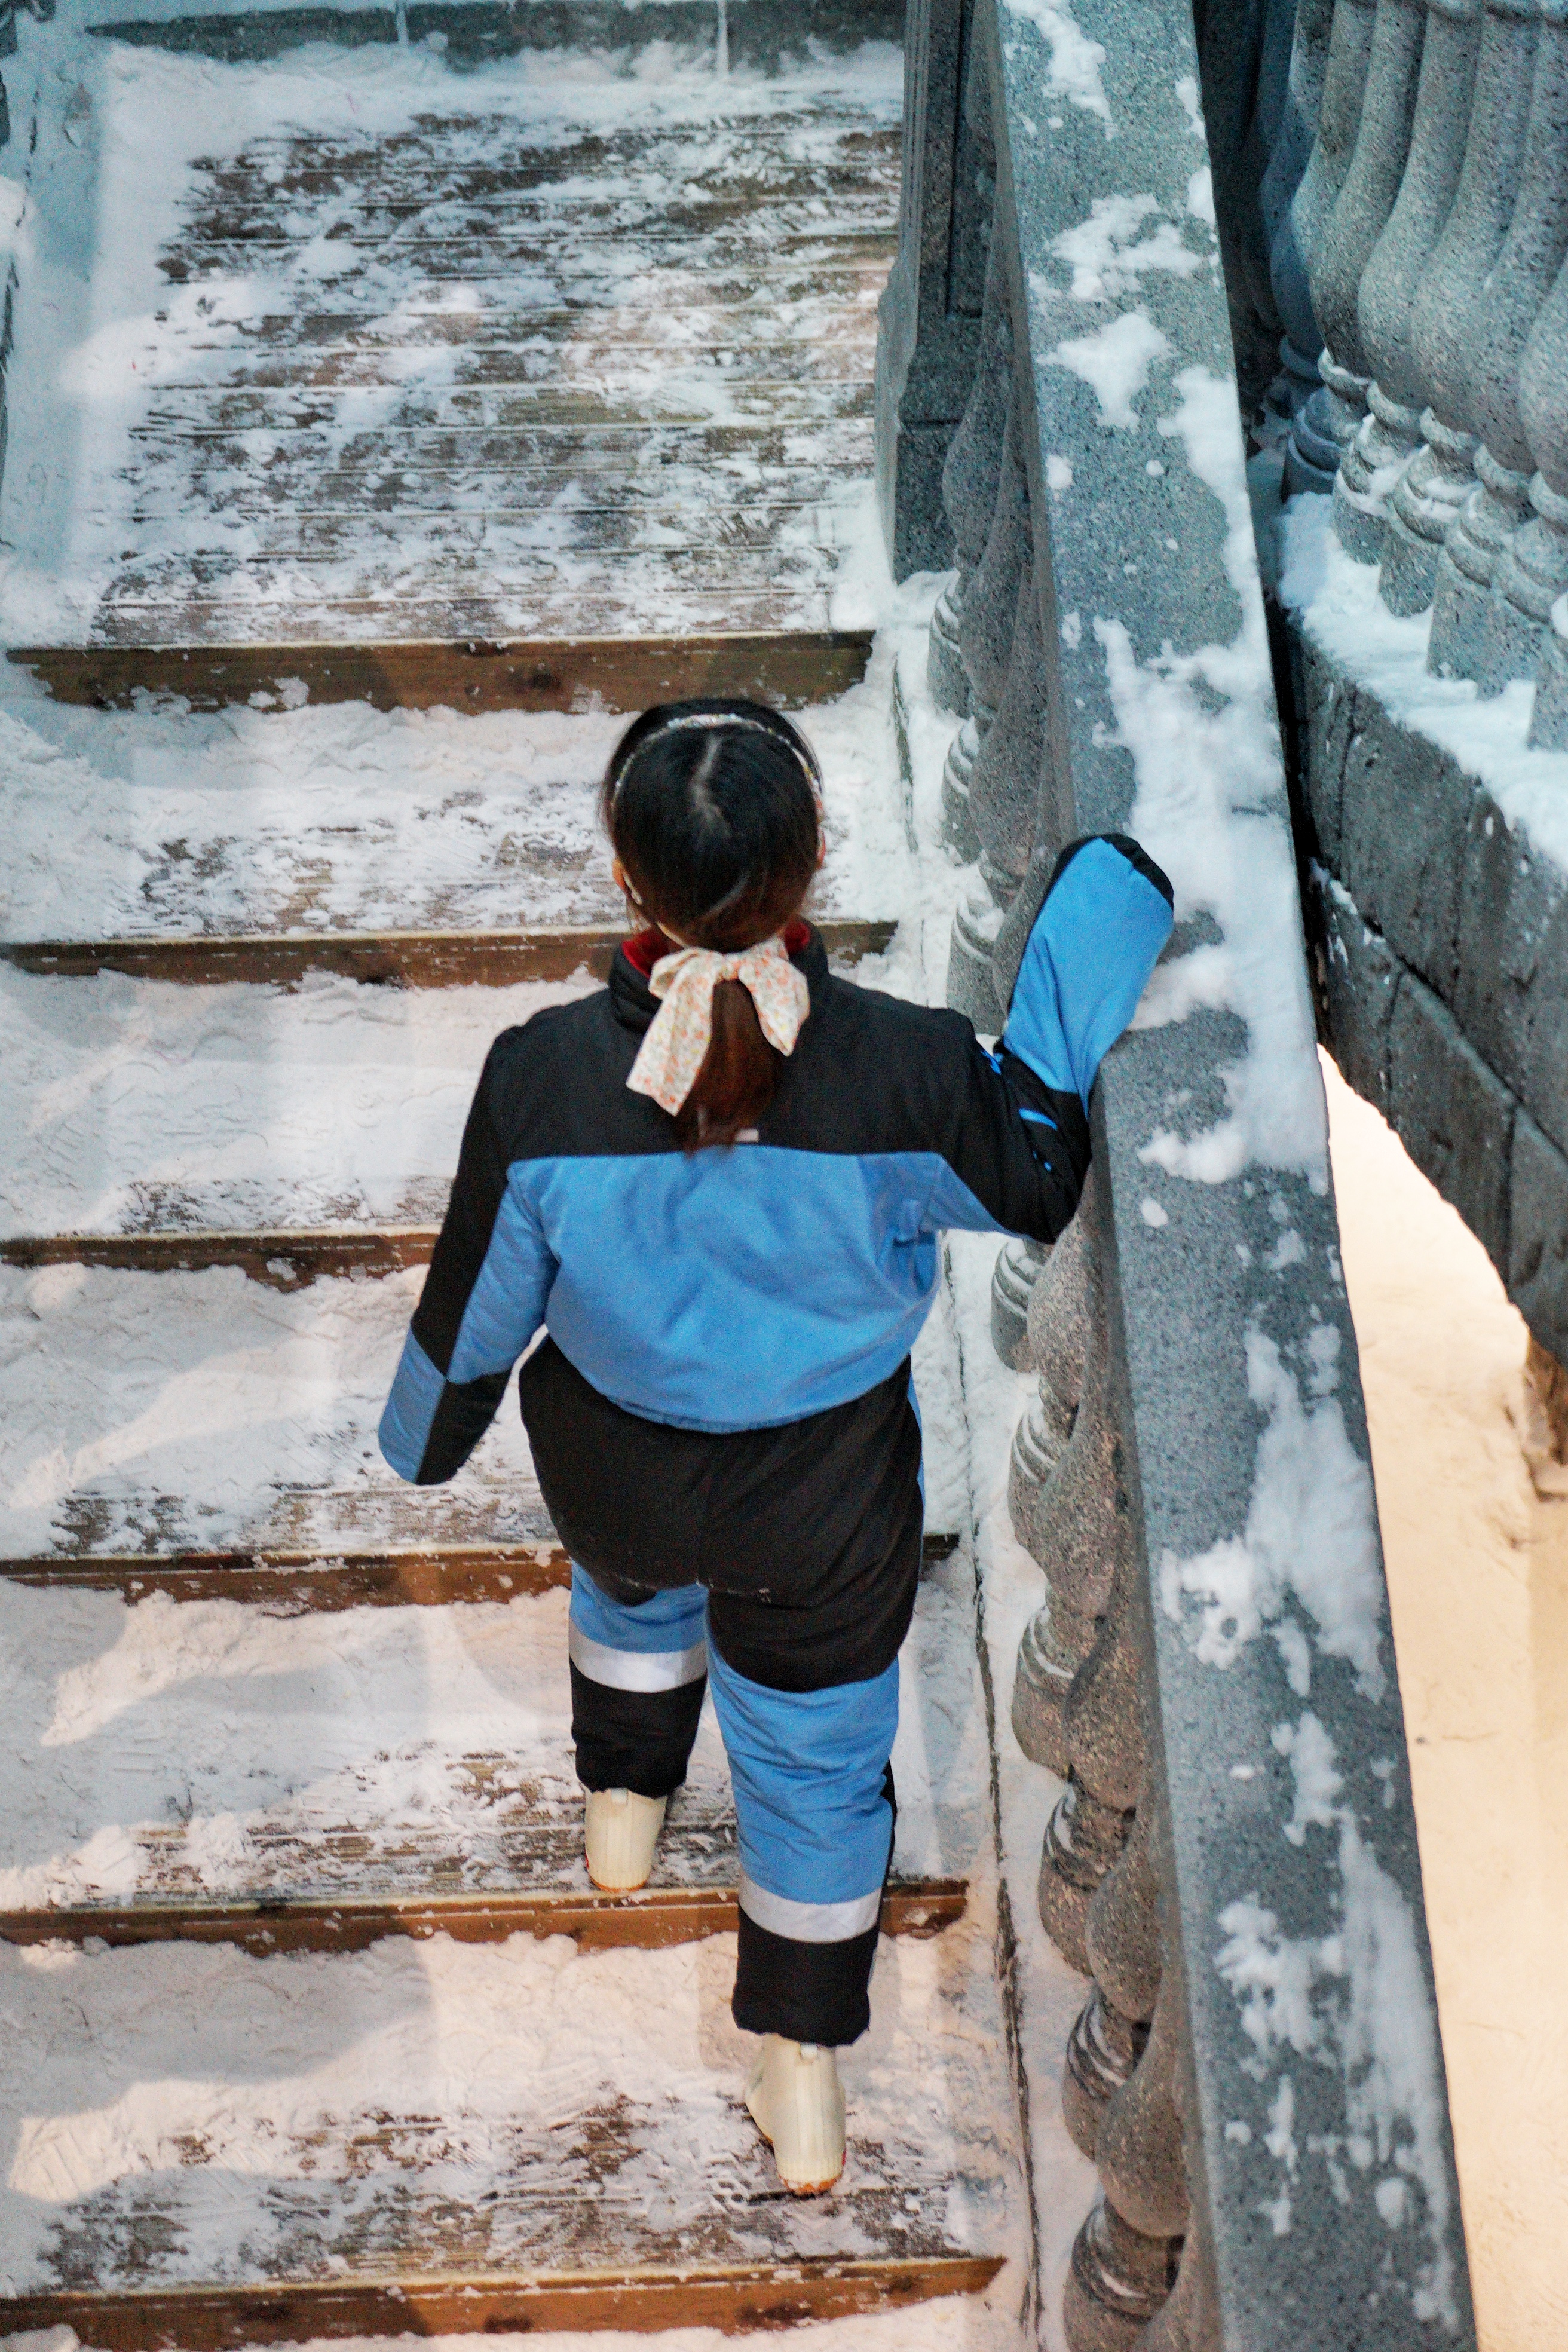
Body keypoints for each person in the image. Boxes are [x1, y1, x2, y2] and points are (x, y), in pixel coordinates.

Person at [379, 697, 1172, 2196]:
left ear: (628, 882)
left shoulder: (543, 1077)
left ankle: (622, 1808)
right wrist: (1086, 942)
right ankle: (800, 2066)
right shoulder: (906, 1070)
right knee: (814, 1760)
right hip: (820, 1502)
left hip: (614, 1464)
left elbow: (477, 1300)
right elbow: (1036, 1173)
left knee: (626, 1602)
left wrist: (426, 1440)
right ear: (813, 869)